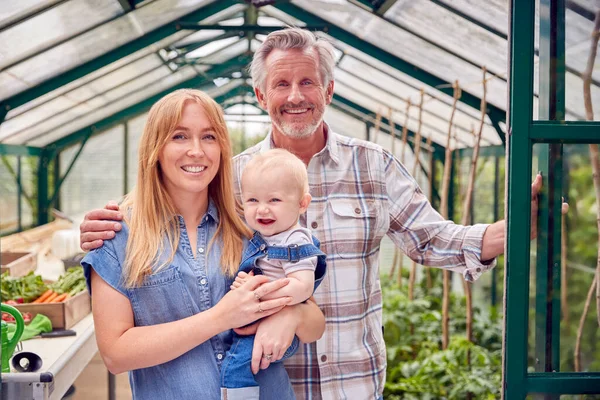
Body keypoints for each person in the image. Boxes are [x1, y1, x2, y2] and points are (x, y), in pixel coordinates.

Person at [79, 28, 563, 400]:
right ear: (261, 97)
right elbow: (168, 197)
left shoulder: (373, 165)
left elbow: (432, 238)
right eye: (281, 84)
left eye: (307, 81)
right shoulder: (233, 180)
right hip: (270, 381)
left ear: (328, 91)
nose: (295, 95)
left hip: (353, 381)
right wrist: (103, 222)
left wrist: (511, 230)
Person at [79, 89, 325, 400]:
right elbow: (115, 353)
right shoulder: (117, 236)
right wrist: (222, 317)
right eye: (179, 137)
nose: (196, 151)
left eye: (209, 137)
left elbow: (315, 324)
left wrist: (291, 316)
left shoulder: (252, 227)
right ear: (155, 148)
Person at [221, 148, 327, 399]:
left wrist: (257, 291)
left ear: (302, 204)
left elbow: (302, 287)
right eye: (252, 200)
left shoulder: (295, 240)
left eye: (274, 200)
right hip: (260, 321)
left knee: (236, 367)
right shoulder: (266, 237)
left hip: (279, 328)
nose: (262, 210)